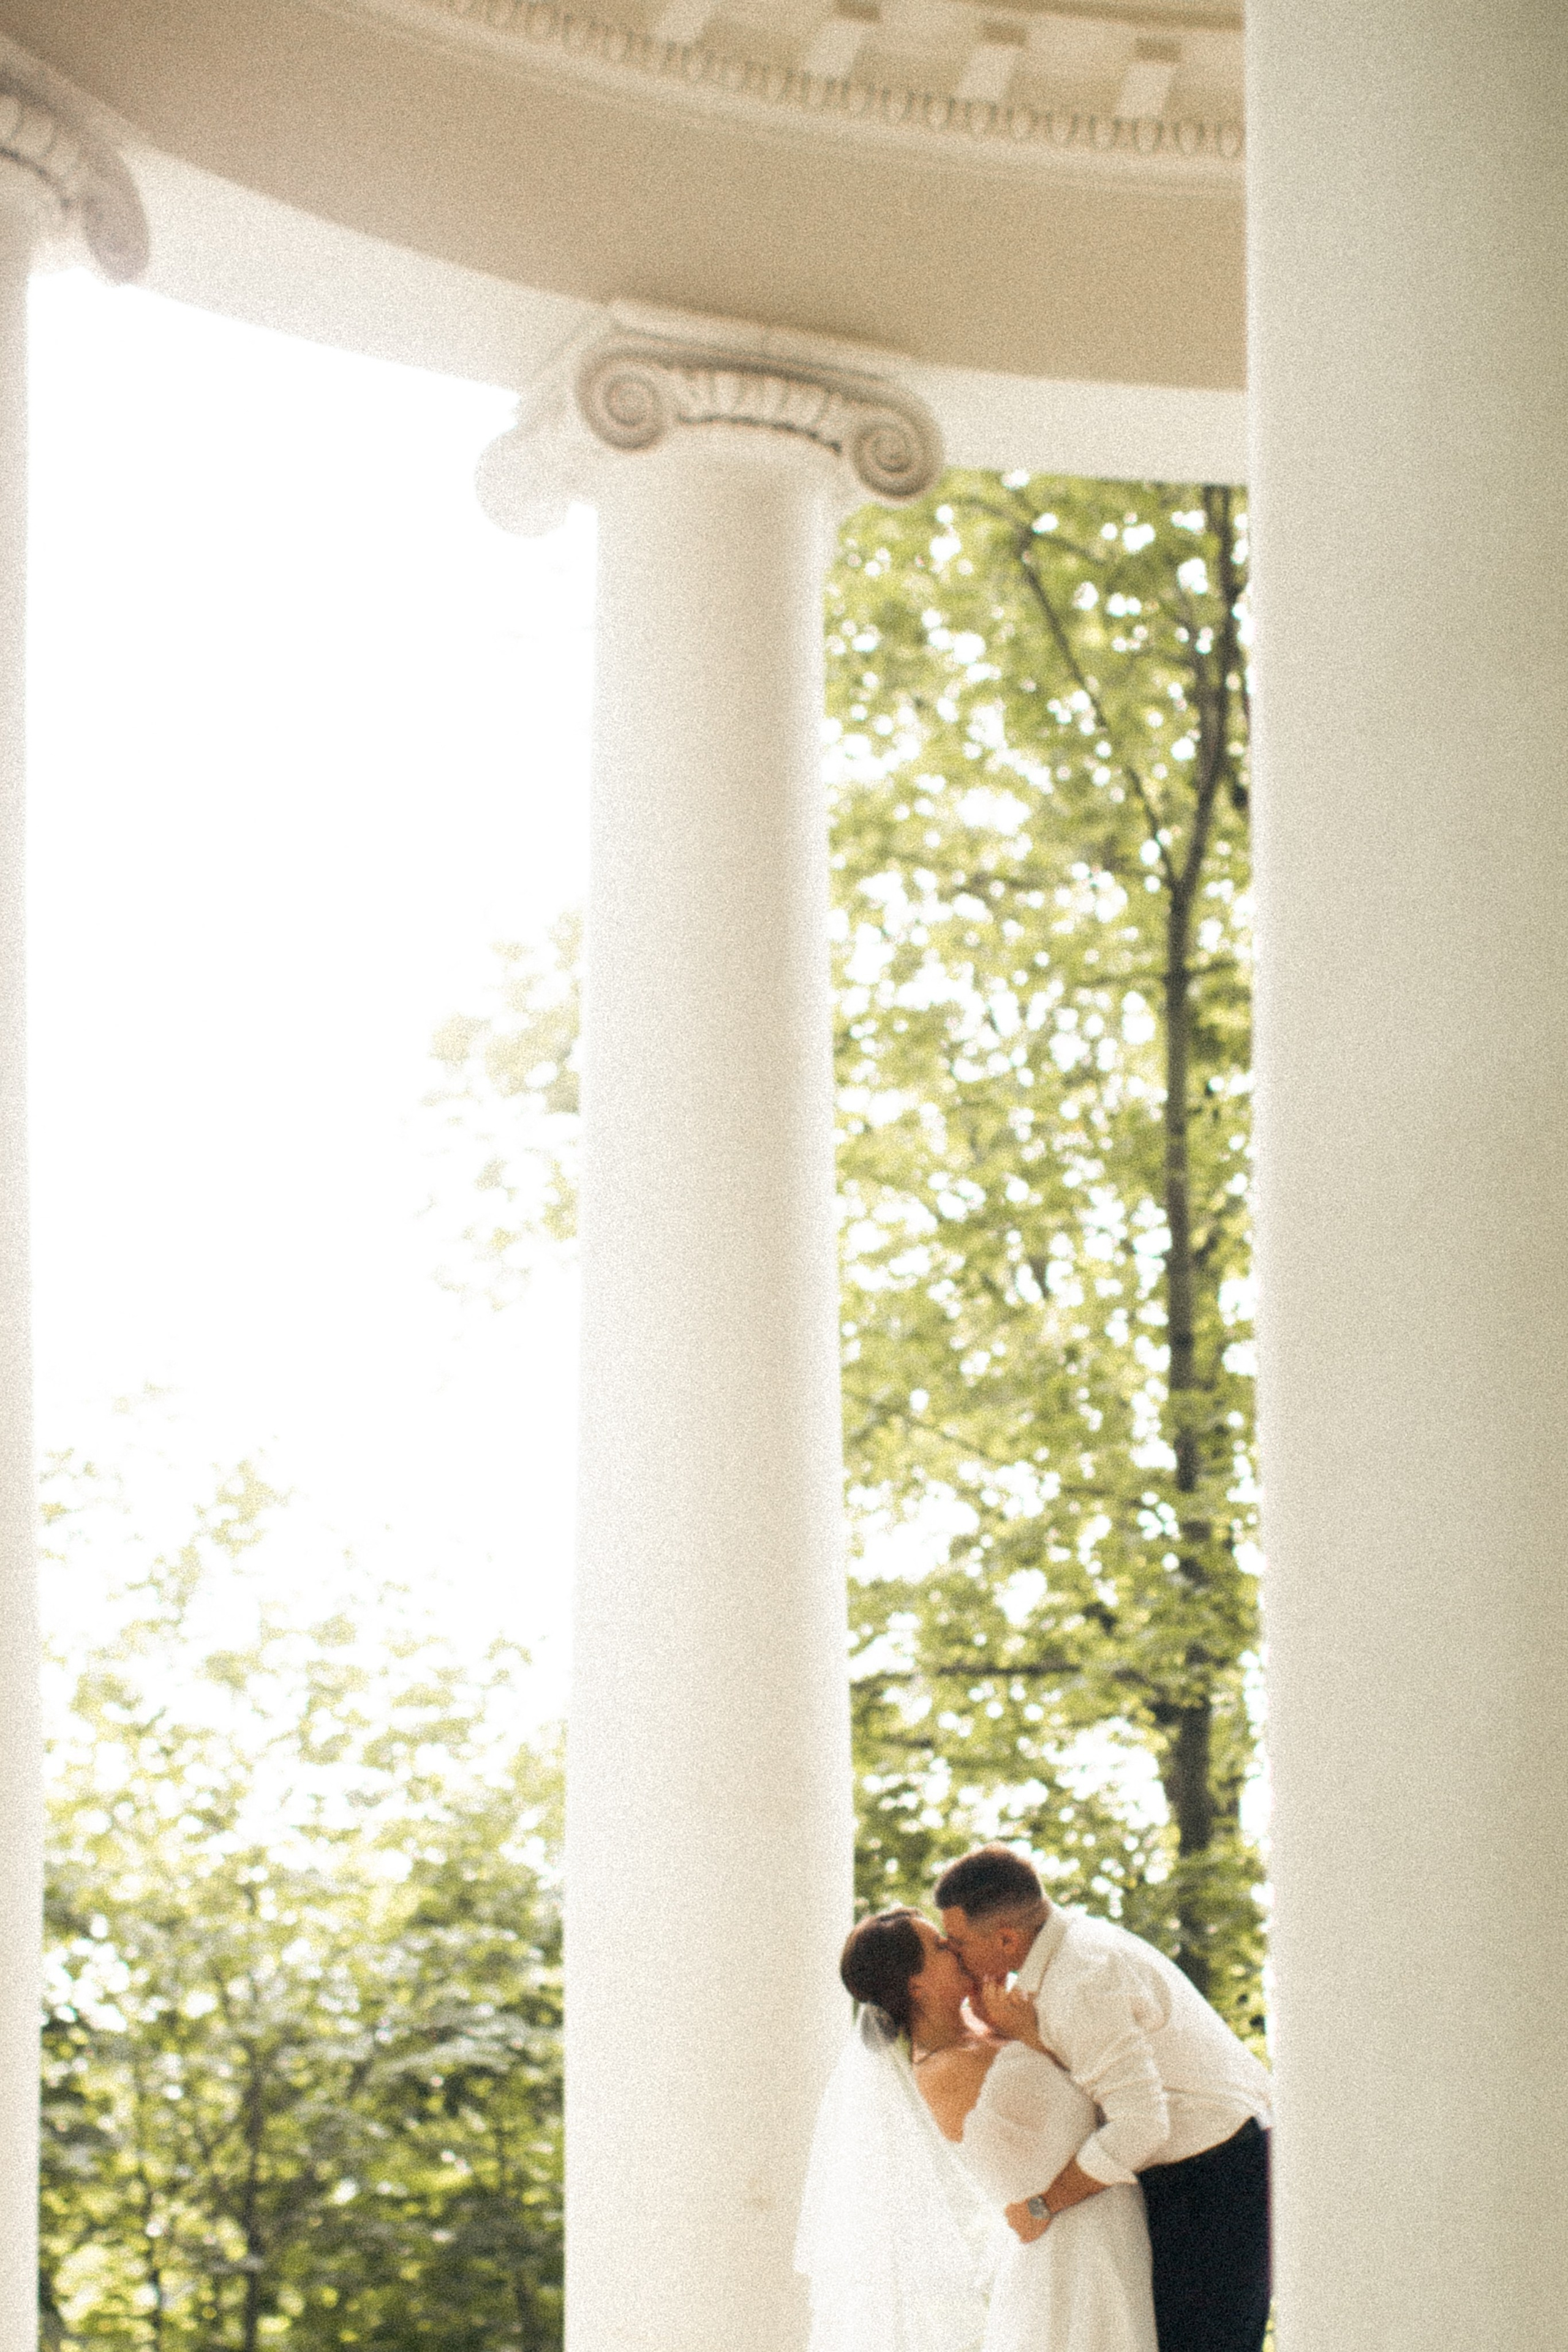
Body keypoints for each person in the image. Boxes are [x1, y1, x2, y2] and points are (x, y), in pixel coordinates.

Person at [935, 1845, 1272, 2352]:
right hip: (1202, 2169)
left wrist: (1043, 2206)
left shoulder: (1081, 1980)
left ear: (1007, 1938)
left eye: (958, 1943)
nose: (954, 1954)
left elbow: (1140, 2126)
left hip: (1218, 2175)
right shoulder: (1074, 1952)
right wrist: (1035, 2038)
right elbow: (1109, 2085)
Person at [796, 1905, 1156, 2352]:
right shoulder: (944, 2070)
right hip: (1069, 2258)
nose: (957, 1949)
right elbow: (1091, 2100)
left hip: (1102, 2233)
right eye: (940, 1947)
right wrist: (1026, 2031)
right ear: (917, 1984)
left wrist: (1003, 2027)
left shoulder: (990, 2035)